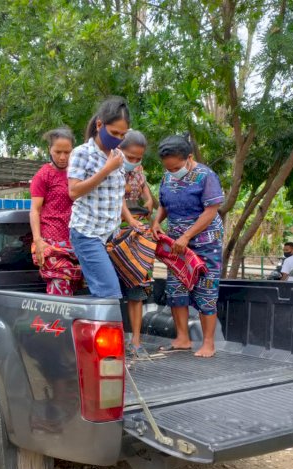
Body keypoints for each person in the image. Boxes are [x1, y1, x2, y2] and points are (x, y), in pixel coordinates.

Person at [151, 135, 224, 358]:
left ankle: (208, 343)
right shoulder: (167, 177)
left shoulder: (206, 176)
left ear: (189, 158)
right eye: (168, 168)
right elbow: (164, 204)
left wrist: (187, 236)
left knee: (206, 289)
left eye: (176, 167)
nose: (172, 171)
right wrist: (156, 221)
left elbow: (211, 211)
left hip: (205, 242)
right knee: (176, 289)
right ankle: (183, 338)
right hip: (177, 244)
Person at [67, 96, 141, 298]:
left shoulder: (118, 156)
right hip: (87, 233)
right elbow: (73, 192)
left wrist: (130, 220)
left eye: (122, 134)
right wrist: (106, 170)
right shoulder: (82, 153)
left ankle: (84, 326)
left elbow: (117, 196)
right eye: (114, 132)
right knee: (109, 293)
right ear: (99, 125)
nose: (118, 138)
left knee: (119, 291)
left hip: (111, 236)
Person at [30, 127, 82, 296]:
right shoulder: (43, 175)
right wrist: (38, 240)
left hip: (76, 241)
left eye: (67, 152)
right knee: (60, 289)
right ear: (49, 150)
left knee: (77, 291)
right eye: (57, 152)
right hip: (50, 243)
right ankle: (57, 323)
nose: (62, 157)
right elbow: (35, 210)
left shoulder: (78, 174)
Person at [119, 130, 154, 356]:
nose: (133, 162)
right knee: (113, 291)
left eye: (137, 158)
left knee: (137, 291)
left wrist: (149, 201)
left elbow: (146, 195)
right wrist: (129, 219)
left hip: (137, 234)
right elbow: (116, 198)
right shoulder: (110, 170)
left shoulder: (139, 172)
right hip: (116, 234)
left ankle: (136, 341)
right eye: (129, 157)